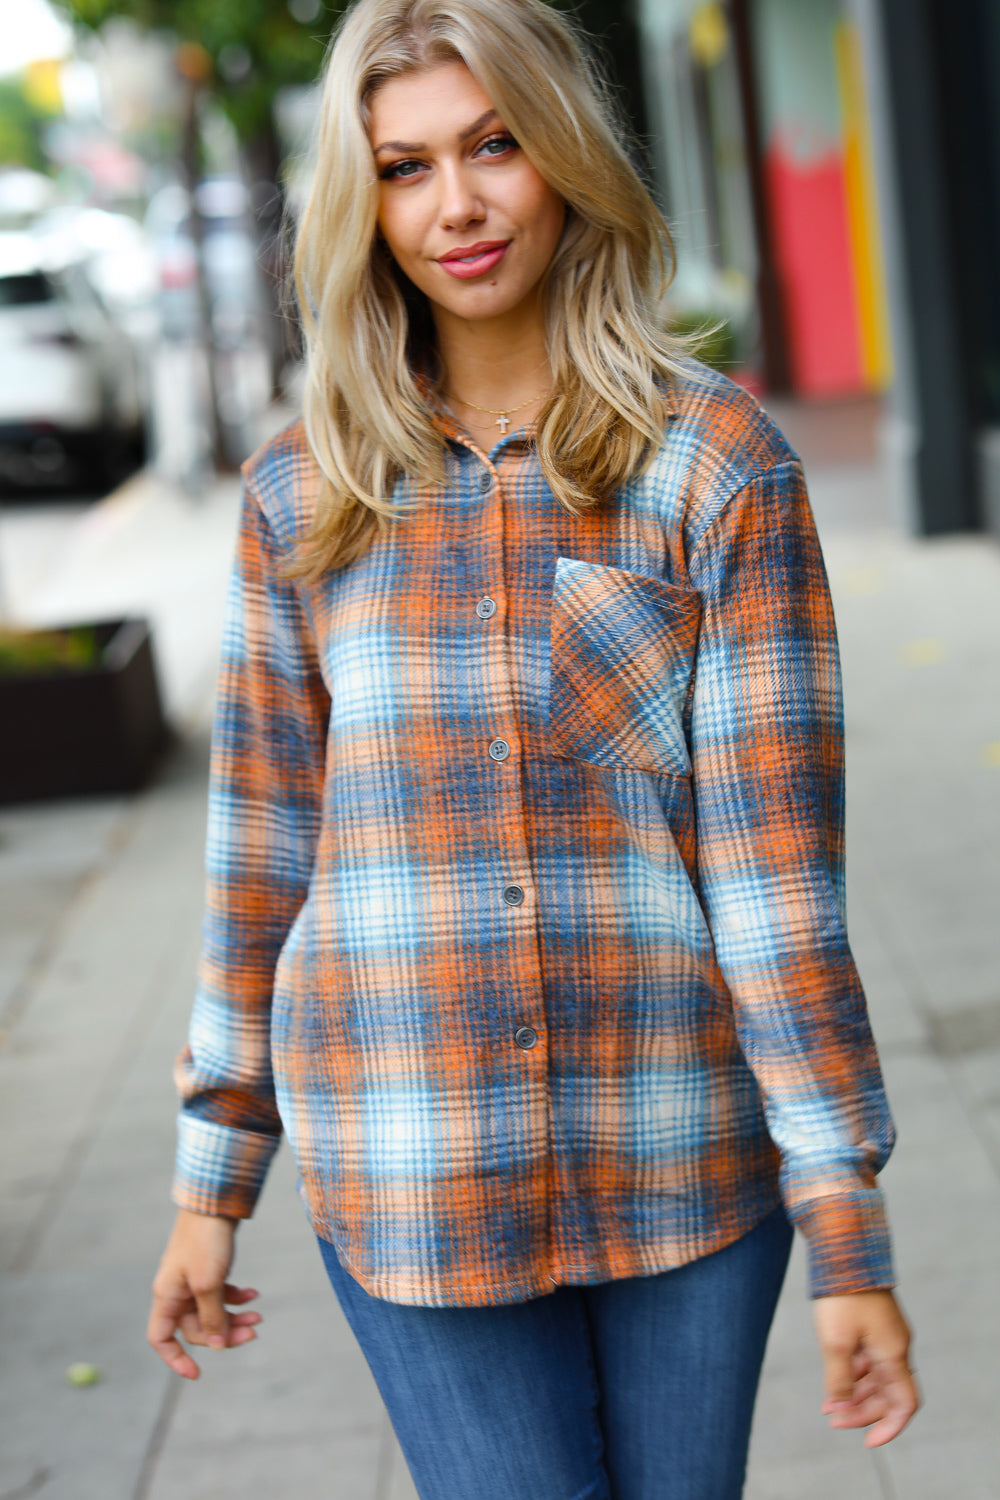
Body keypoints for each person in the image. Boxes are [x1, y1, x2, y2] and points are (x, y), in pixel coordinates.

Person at [147, 1, 920, 1494]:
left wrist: (845, 1226)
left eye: (495, 145)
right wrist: (211, 1178)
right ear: (361, 201)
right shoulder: (302, 496)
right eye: (407, 164)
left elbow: (774, 885)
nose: (459, 204)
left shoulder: (717, 466)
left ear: (565, 156)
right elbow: (263, 859)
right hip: (406, 1158)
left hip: (680, 1144)